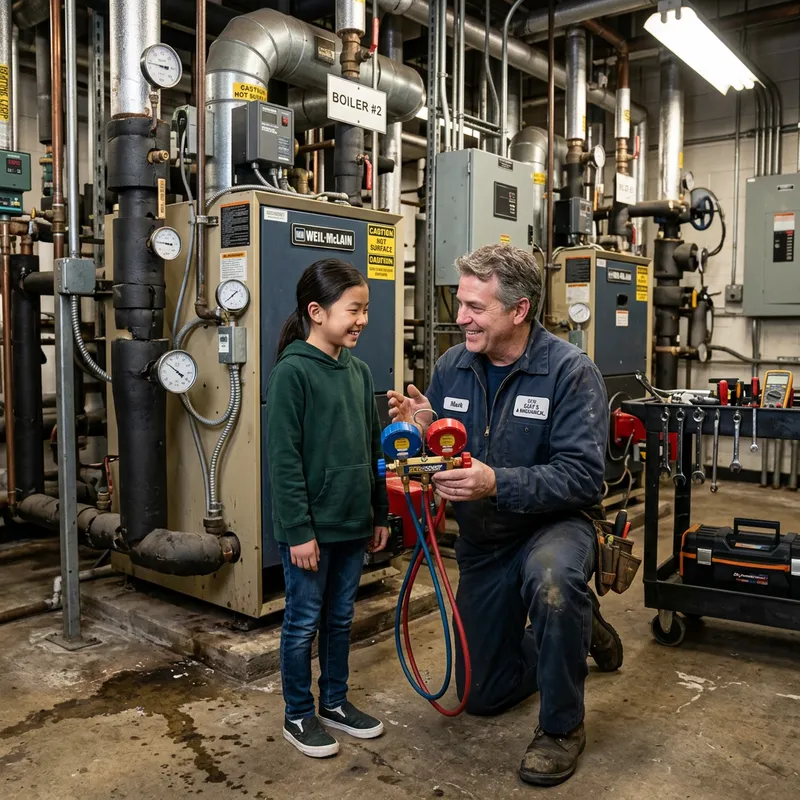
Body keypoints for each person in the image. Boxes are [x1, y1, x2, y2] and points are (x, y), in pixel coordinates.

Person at [388, 244, 622, 786]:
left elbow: (584, 477)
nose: (461, 317)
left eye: (476, 307)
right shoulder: (453, 366)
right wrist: (421, 429)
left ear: (519, 310)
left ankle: (562, 728)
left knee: (553, 581)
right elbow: (444, 443)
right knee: (481, 695)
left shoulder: (569, 372)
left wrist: (496, 481)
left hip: (554, 527)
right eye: (460, 303)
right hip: (485, 541)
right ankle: (575, 630)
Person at [266, 258, 390, 759]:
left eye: (366, 310)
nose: (362, 320)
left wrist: (379, 513)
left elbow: (373, 448)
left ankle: (334, 702)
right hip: (310, 531)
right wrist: (298, 530)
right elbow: (283, 460)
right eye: (353, 310)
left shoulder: (358, 372)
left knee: (340, 619)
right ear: (316, 312)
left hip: (352, 523)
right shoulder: (292, 372)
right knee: (302, 623)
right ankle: (298, 714)